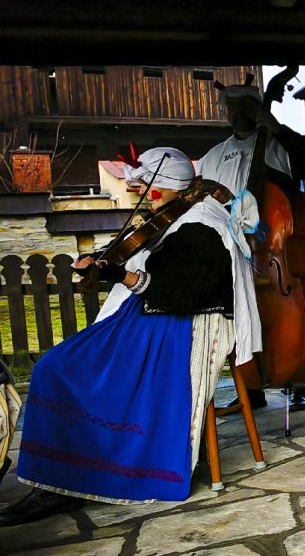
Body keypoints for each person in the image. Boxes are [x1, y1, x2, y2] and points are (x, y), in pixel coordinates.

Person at [0, 148, 254, 525]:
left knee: (63, 371)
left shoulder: (201, 224)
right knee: (56, 367)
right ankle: (60, 476)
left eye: (147, 186)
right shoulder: (178, 216)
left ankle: (66, 481)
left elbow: (183, 292)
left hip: (178, 322)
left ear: (164, 187)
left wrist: (119, 275)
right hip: (150, 314)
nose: (141, 193)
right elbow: (156, 268)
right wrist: (106, 265)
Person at [199, 81, 305, 412]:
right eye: (232, 106)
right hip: (231, 247)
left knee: (283, 317)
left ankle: (297, 380)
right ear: (226, 112)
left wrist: (278, 129)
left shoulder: (278, 144)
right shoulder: (213, 157)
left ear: (257, 108)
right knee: (237, 318)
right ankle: (250, 386)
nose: (238, 112)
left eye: (246, 105)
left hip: (272, 246)